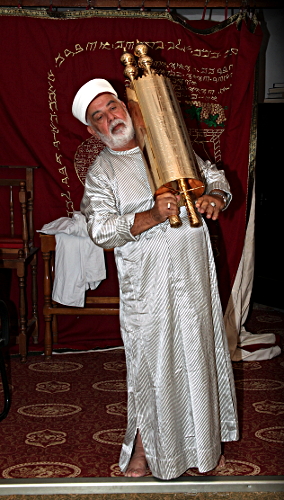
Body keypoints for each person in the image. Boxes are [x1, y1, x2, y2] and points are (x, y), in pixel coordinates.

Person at [72, 78, 239, 481]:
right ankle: (145, 449)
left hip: (193, 274)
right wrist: (153, 214)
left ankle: (202, 446)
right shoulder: (102, 172)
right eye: (98, 117)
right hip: (147, 288)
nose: (109, 117)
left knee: (196, 356)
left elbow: (215, 178)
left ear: (126, 108)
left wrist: (215, 198)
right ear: (93, 130)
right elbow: (101, 230)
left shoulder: (168, 149)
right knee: (153, 366)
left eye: (112, 107)